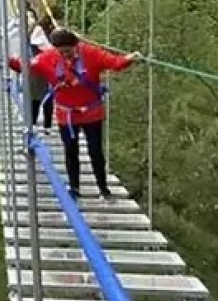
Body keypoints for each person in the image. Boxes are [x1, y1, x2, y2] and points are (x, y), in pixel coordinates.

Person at [8, 28, 141, 200]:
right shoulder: (47, 58)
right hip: (67, 114)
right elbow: (24, 67)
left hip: (91, 112)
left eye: (68, 51)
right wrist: (7, 59)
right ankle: (75, 187)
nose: (65, 55)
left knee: (95, 151)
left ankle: (103, 188)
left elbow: (114, 63)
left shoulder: (91, 53)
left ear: (76, 46)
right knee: (70, 150)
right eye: (61, 52)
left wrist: (130, 59)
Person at [27, 14, 56, 133]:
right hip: (40, 70)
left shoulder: (37, 32)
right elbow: (47, 48)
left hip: (40, 70)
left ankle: (40, 124)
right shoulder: (38, 35)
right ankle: (42, 125)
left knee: (42, 97)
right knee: (41, 97)